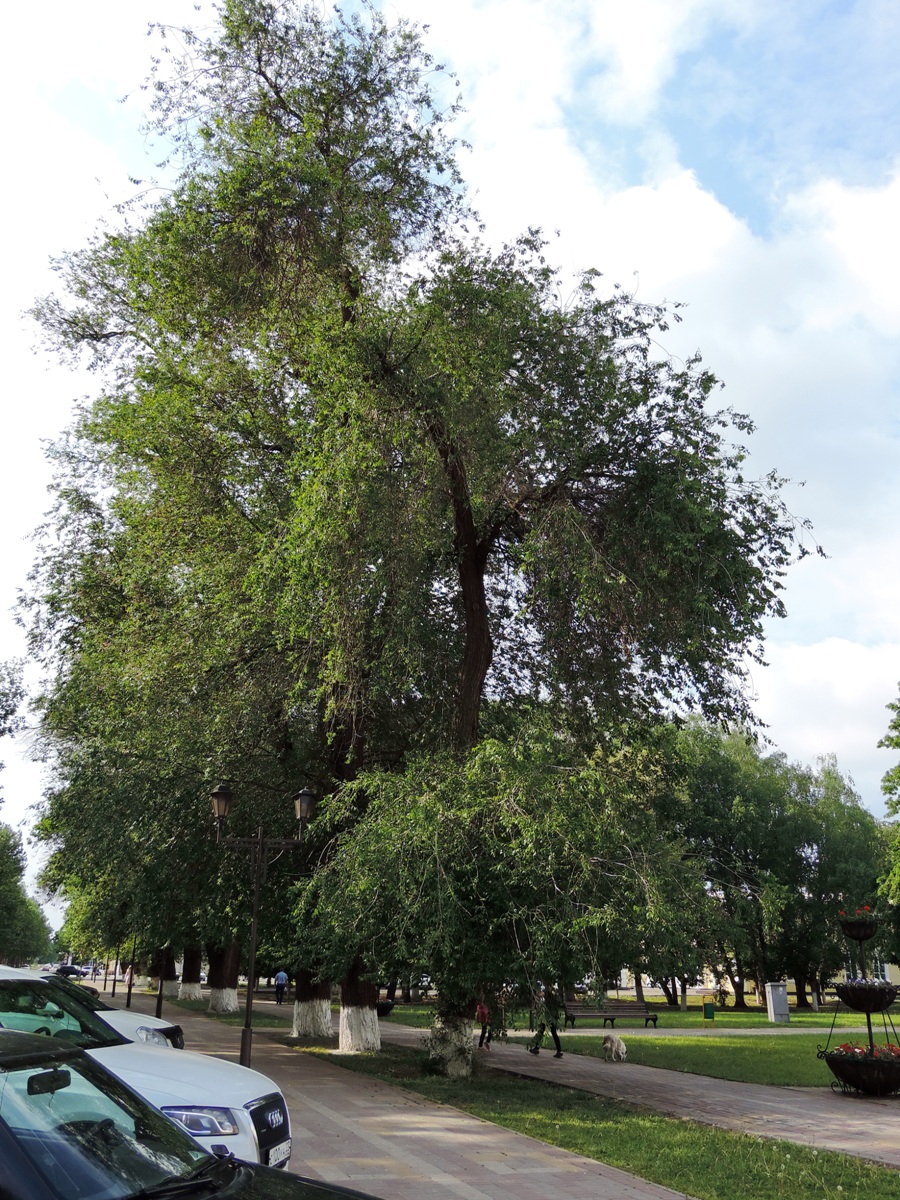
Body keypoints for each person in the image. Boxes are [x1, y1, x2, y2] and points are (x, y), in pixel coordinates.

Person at [527, 984, 563, 1058]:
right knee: (550, 1032)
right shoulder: (554, 993)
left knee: (543, 1030)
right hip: (552, 1015)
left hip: (549, 1015)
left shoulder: (548, 991)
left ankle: (537, 1048)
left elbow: (542, 994)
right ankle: (558, 1051)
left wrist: (536, 995)